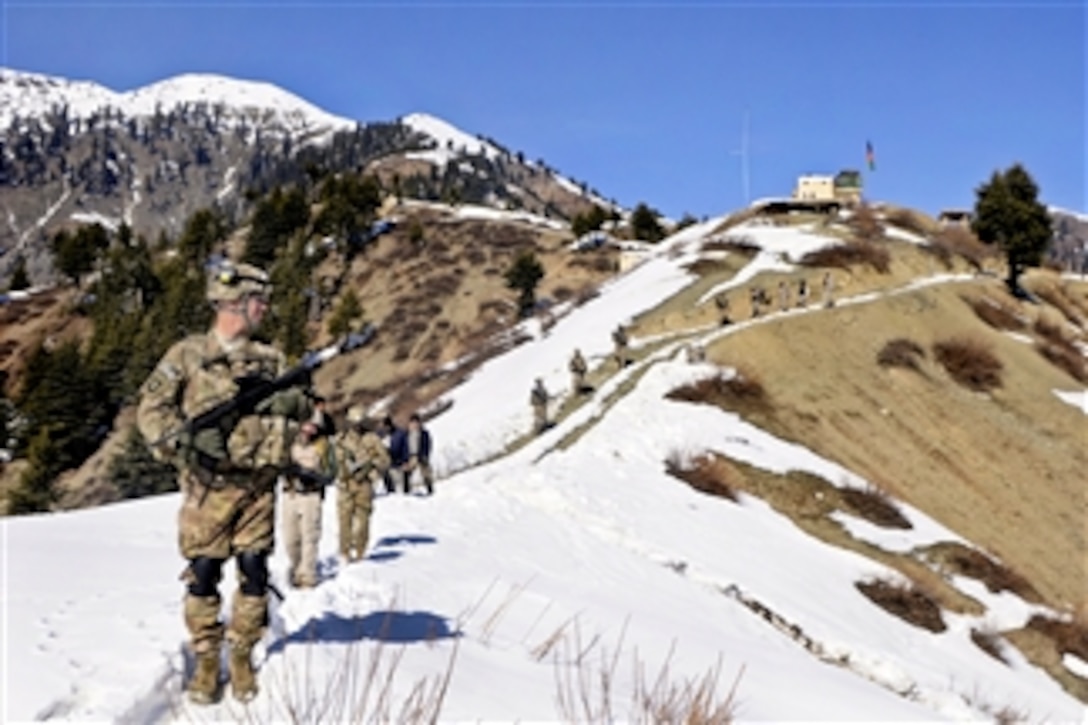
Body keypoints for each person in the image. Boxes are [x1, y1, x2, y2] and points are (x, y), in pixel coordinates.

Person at [136, 261, 313, 705]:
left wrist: (290, 404)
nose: (265, 308)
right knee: (203, 574)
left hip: (257, 488)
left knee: (254, 572)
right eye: (258, 301)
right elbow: (152, 411)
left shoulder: (271, 360)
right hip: (207, 490)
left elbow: (301, 409)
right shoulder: (188, 355)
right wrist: (186, 446)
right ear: (234, 303)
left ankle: (241, 653)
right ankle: (207, 657)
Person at [334, 406, 391, 562]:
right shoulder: (341, 439)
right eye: (354, 422)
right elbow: (332, 462)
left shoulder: (372, 439)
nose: (357, 426)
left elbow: (385, 460)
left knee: (363, 520)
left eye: (359, 422)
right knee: (344, 520)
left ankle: (360, 552)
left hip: (364, 484)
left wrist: (371, 465)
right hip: (345, 484)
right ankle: (344, 553)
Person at [282, 420, 334, 589]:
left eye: (312, 428)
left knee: (309, 537)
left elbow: (331, 473)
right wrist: (288, 469)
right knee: (290, 539)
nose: (307, 431)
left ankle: (308, 577)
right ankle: (297, 569)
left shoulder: (323, 447)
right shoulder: (289, 444)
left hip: (311, 495)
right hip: (290, 494)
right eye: (305, 427)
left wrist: (312, 475)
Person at [393, 413, 435, 495]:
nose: (415, 425)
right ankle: (406, 491)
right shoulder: (405, 434)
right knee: (406, 472)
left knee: (426, 472)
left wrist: (425, 455)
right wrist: (402, 460)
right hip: (410, 456)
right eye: (413, 423)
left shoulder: (424, 433)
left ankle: (430, 490)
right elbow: (401, 447)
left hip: (420, 455)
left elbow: (427, 445)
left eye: (416, 423)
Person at [380, 415, 406, 494]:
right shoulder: (382, 436)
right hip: (388, 465)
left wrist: (405, 461)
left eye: (386, 426)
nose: (385, 429)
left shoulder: (400, 434)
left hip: (399, 464)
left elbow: (405, 448)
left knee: (401, 490)